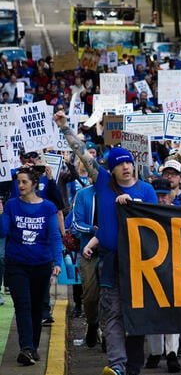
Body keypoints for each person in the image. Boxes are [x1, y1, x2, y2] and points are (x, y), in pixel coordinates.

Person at [54, 110, 157, 375]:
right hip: (111, 261)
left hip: (140, 263)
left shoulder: (146, 191)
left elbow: (155, 225)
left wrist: (131, 206)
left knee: (136, 315)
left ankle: (133, 365)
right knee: (112, 315)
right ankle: (117, 365)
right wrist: (65, 128)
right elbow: (82, 154)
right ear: (111, 169)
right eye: (119, 164)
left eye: (128, 162)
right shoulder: (103, 183)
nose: (125, 167)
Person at [0, 166, 62, 366]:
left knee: (36, 307)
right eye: (18, 182)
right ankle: (26, 347)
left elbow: (54, 235)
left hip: (41, 264)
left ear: (34, 184)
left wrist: (58, 261)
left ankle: (33, 347)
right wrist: (0, 214)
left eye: (24, 182)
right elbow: (3, 232)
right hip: (16, 264)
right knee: (23, 305)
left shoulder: (48, 207)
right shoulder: (11, 205)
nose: (20, 185)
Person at [144, 179, 181, 373]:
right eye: (157, 195)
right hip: (151, 266)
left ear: (171, 195)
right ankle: (156, 351)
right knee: (153, 309)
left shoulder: (179, 211)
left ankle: (172, 352)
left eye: (164, 195)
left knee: (174, 309)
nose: (161, 199)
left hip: (175, 266)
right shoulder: (145, 212)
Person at [70, 182, 101, 348]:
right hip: (88, 253)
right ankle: (93, 323)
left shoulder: (117, 192)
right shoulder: (83, 194)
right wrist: (92, 229)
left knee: (111, 296)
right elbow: (76, 223)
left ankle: (108, 333)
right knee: (90, 296)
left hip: (111, 252)